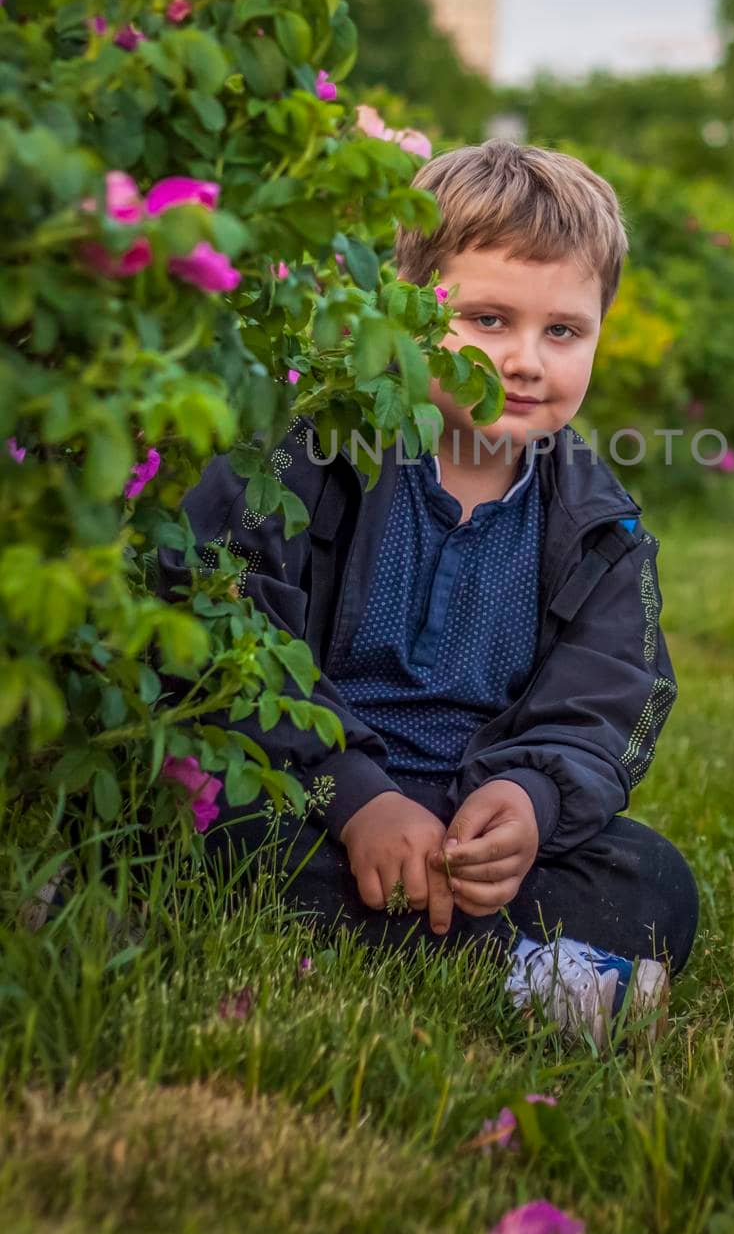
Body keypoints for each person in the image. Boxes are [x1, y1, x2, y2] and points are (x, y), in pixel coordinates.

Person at [156, 139, 699, 1049]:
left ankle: (446, 933)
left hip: (473, 823)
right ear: (404, 316)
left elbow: (612, 704)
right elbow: (221, 622)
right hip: (309, 798)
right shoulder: (309, 460)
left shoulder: (601, 525)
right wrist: (357, 796)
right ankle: (528, 969)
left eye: (564, 331)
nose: (526, 361)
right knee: (200, 816)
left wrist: (528, 803)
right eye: (488, 320)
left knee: (655, 882)